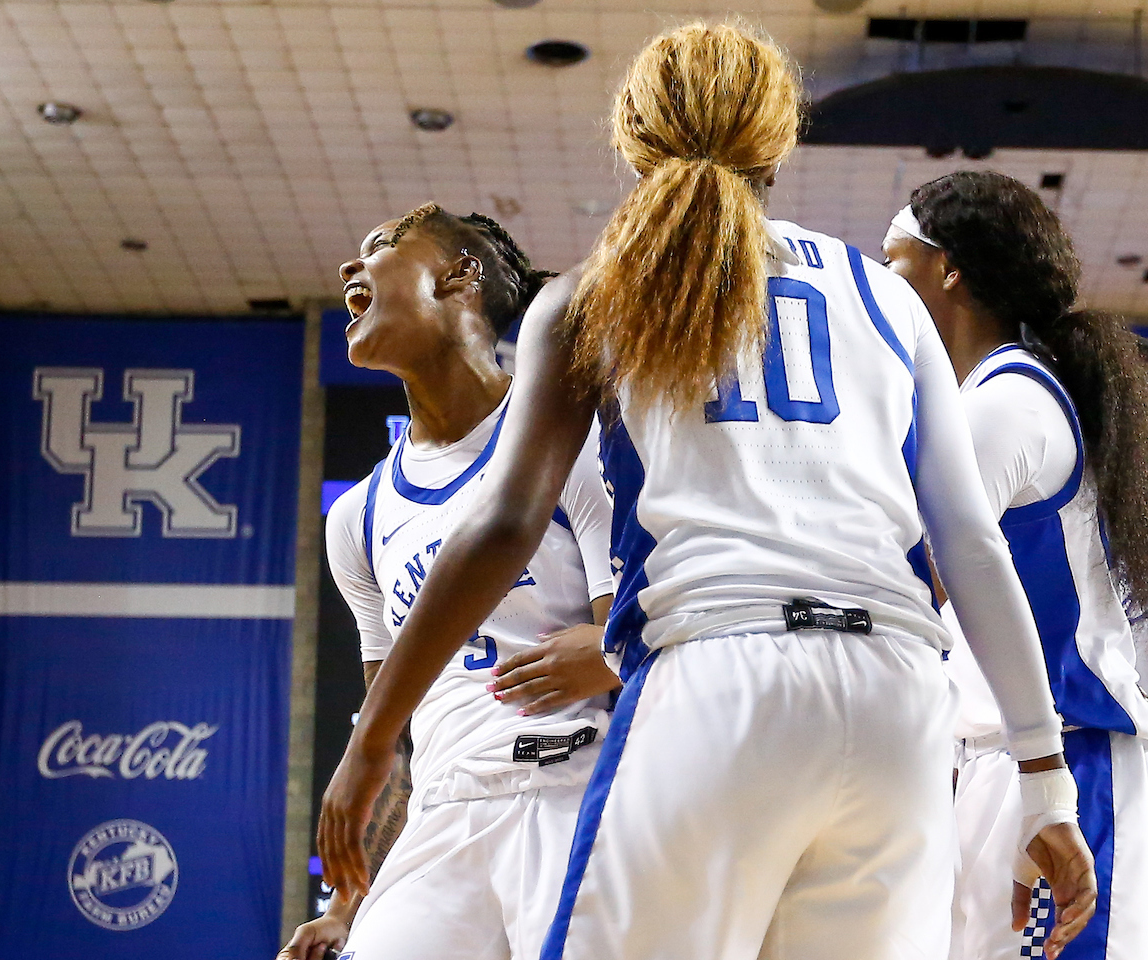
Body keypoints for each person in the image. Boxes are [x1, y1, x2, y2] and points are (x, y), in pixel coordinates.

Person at [325, 23, 1098, 960]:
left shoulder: (595, 293)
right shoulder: (888, 296)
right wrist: (1043, 776)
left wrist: (372, 742)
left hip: (720, 678)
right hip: (899, 699)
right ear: (779, 142)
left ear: (633, 137)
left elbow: (501, 525)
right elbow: (973, 548)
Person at [278, 204, 619, 960]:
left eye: (382, 247)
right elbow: (393, 731)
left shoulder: (575, 437)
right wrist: (347, 904)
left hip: (573, 790)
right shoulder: (357, 516)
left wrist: (605, 650)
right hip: (442, 812)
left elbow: (632, 646)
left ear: (460, 275)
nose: (350, 270)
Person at [882, 171, 1148, 960]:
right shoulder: (1003, 393)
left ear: (948, 269)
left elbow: (907, 583)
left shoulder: (1005, 404)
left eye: (895, 265)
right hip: (1010, 759)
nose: (884, 288)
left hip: (1067, 759)